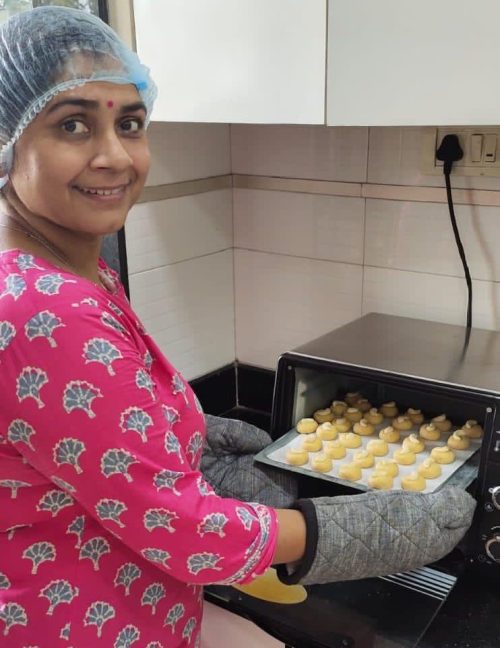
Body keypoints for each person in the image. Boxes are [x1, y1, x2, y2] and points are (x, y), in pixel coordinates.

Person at [0, 7, 476, 648]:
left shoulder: (58, 268)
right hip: (84, 623)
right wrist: (355, 530)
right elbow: (185, 533)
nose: (114, 156)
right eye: (74, 124)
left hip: (139, 598)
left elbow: (76, 442)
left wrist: (184, 438)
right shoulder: (46, 311)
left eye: (131, 123)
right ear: (9, 139)